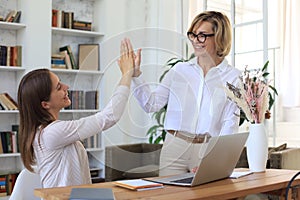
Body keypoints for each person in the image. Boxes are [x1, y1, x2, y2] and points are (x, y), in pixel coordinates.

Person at [130, 11, 241, 176]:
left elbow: (229, 123)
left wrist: (217, 158)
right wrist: (136, 74)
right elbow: (151, 104)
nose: (196, 41)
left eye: (202, 35)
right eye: (193, 35)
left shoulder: (233, 77)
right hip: (175, 147)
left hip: (207, 148)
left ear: (219, 38)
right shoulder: (179, 70)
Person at [17, 38, 135, 188]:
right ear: (45, 104)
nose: (66, 87)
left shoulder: (45, 131)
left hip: (80, 196)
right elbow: (109, 117)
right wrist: (127, 74)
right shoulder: (53, 132)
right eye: (59, 87)